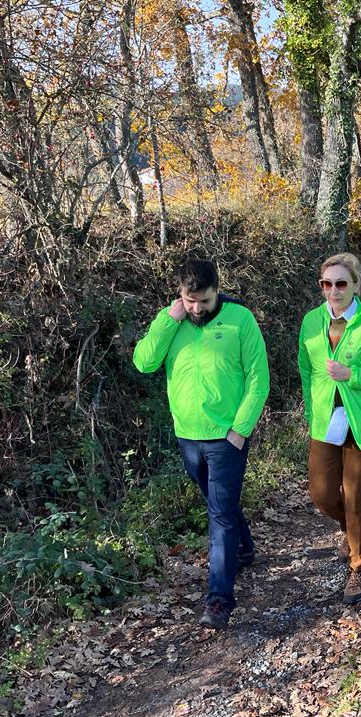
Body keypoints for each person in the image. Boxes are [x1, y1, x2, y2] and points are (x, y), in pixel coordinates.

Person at [133, 259, 270, 629]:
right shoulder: (173, 322)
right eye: (189, 301)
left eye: (204, 301)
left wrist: (240, 429)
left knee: (220, 513)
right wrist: (168, 319)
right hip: (187, 436)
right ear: (180, 294)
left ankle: (219, 599)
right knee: (217, 503)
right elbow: (144, 362)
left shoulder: (241, 320)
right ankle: (243, 547)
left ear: (216, 290)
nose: (197, 308)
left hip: (228, 437)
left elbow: (259, 380)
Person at [298, 253, 361, 605]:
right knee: (323, 494)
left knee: (357, 497)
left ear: (356, 285)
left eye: (341, 283)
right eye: (327, 284)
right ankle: (352, 530)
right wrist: (313, 414)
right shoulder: (311, 322)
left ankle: (359, 565)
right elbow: (306, 372)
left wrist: (352, 375)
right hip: (326, 421)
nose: (333, 291)